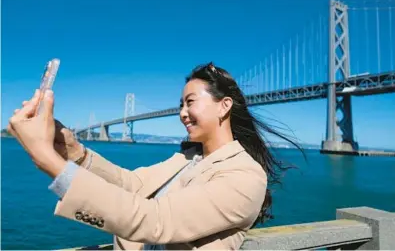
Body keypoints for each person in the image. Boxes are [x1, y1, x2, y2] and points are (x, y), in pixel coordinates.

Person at [8, 62, 299, 250]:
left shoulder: (245, 176)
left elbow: (156, 220)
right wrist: (73, 151)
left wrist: (48, 159)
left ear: (224, 106)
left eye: (190, 102)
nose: (182, 113)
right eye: (180, 105)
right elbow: (130, 184)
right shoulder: (187, 159)